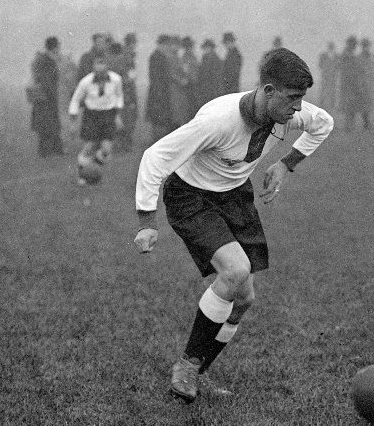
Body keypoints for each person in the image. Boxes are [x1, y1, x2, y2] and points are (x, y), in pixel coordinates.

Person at [133, 47, 334, 402]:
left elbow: (324, 124)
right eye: (292, 98)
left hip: (234, 195)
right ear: (268, 90)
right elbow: (155, 157)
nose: (299, 108)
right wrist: (147, 222)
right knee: (235, 271)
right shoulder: (218, 120)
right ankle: (187, 364)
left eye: (302, 99)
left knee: (244, 299)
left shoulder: (287, 114)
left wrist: (286, 164)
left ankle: (197, 374)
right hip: (191, 197)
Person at [68, 52, 124, 183]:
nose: (100, 71)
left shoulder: (116, 79)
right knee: (89, 146)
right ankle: (82, 175)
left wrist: (118, 116)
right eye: (97, 66)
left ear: (107, 67)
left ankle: (93, 171)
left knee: (106, 150)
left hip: (108, 114)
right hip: (92, 115)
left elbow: (119, 96)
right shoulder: (85, 82)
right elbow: (75, 100)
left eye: (103, 65)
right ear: (93, 68)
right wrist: (72, 122)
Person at [28, 36, 65, 157]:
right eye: (58, 46)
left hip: (44, 97)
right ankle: (49, 150)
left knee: (47, 124)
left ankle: (53, 149)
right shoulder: (46, 61)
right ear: (54, 47)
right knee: (47, 124)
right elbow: (46, 80)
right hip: (46, 97)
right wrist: (52, 94)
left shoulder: (44, 59)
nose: (59, 48)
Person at [109, 33, 139, 153]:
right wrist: (129, 79)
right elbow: (124, 74)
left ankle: (123, 143)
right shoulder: (125, 56)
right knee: (127, 117)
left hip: (127, 89)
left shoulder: (127, 55)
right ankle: (123, 144)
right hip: (126, 90)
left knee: (128, 117)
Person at [338, 35, 373, 131]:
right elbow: (348, 70)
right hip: (350, 84)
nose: (355, 46)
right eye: (354, 44)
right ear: (350, 44)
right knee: (352, 105)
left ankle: (358, 125)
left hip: (353, 83)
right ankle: (350, 126)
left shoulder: (349, 54)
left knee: (356, 104)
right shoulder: (346, 55)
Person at [196, 38, 223, 112]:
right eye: (205, 48)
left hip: (212, 89)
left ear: (211, 48)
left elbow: (215, 76)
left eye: (208, 47)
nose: (206, 49)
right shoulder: (205, 58)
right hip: (206, 89)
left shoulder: (214, 59)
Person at [318, 42, 341, 112]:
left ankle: (332, 104)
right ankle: (322, 103)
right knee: (324, 89)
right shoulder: (323, 55)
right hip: (325, 76)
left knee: (333, 90)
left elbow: (338, 66)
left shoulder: (336, 56)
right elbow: (320, 65)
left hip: (333, 76)